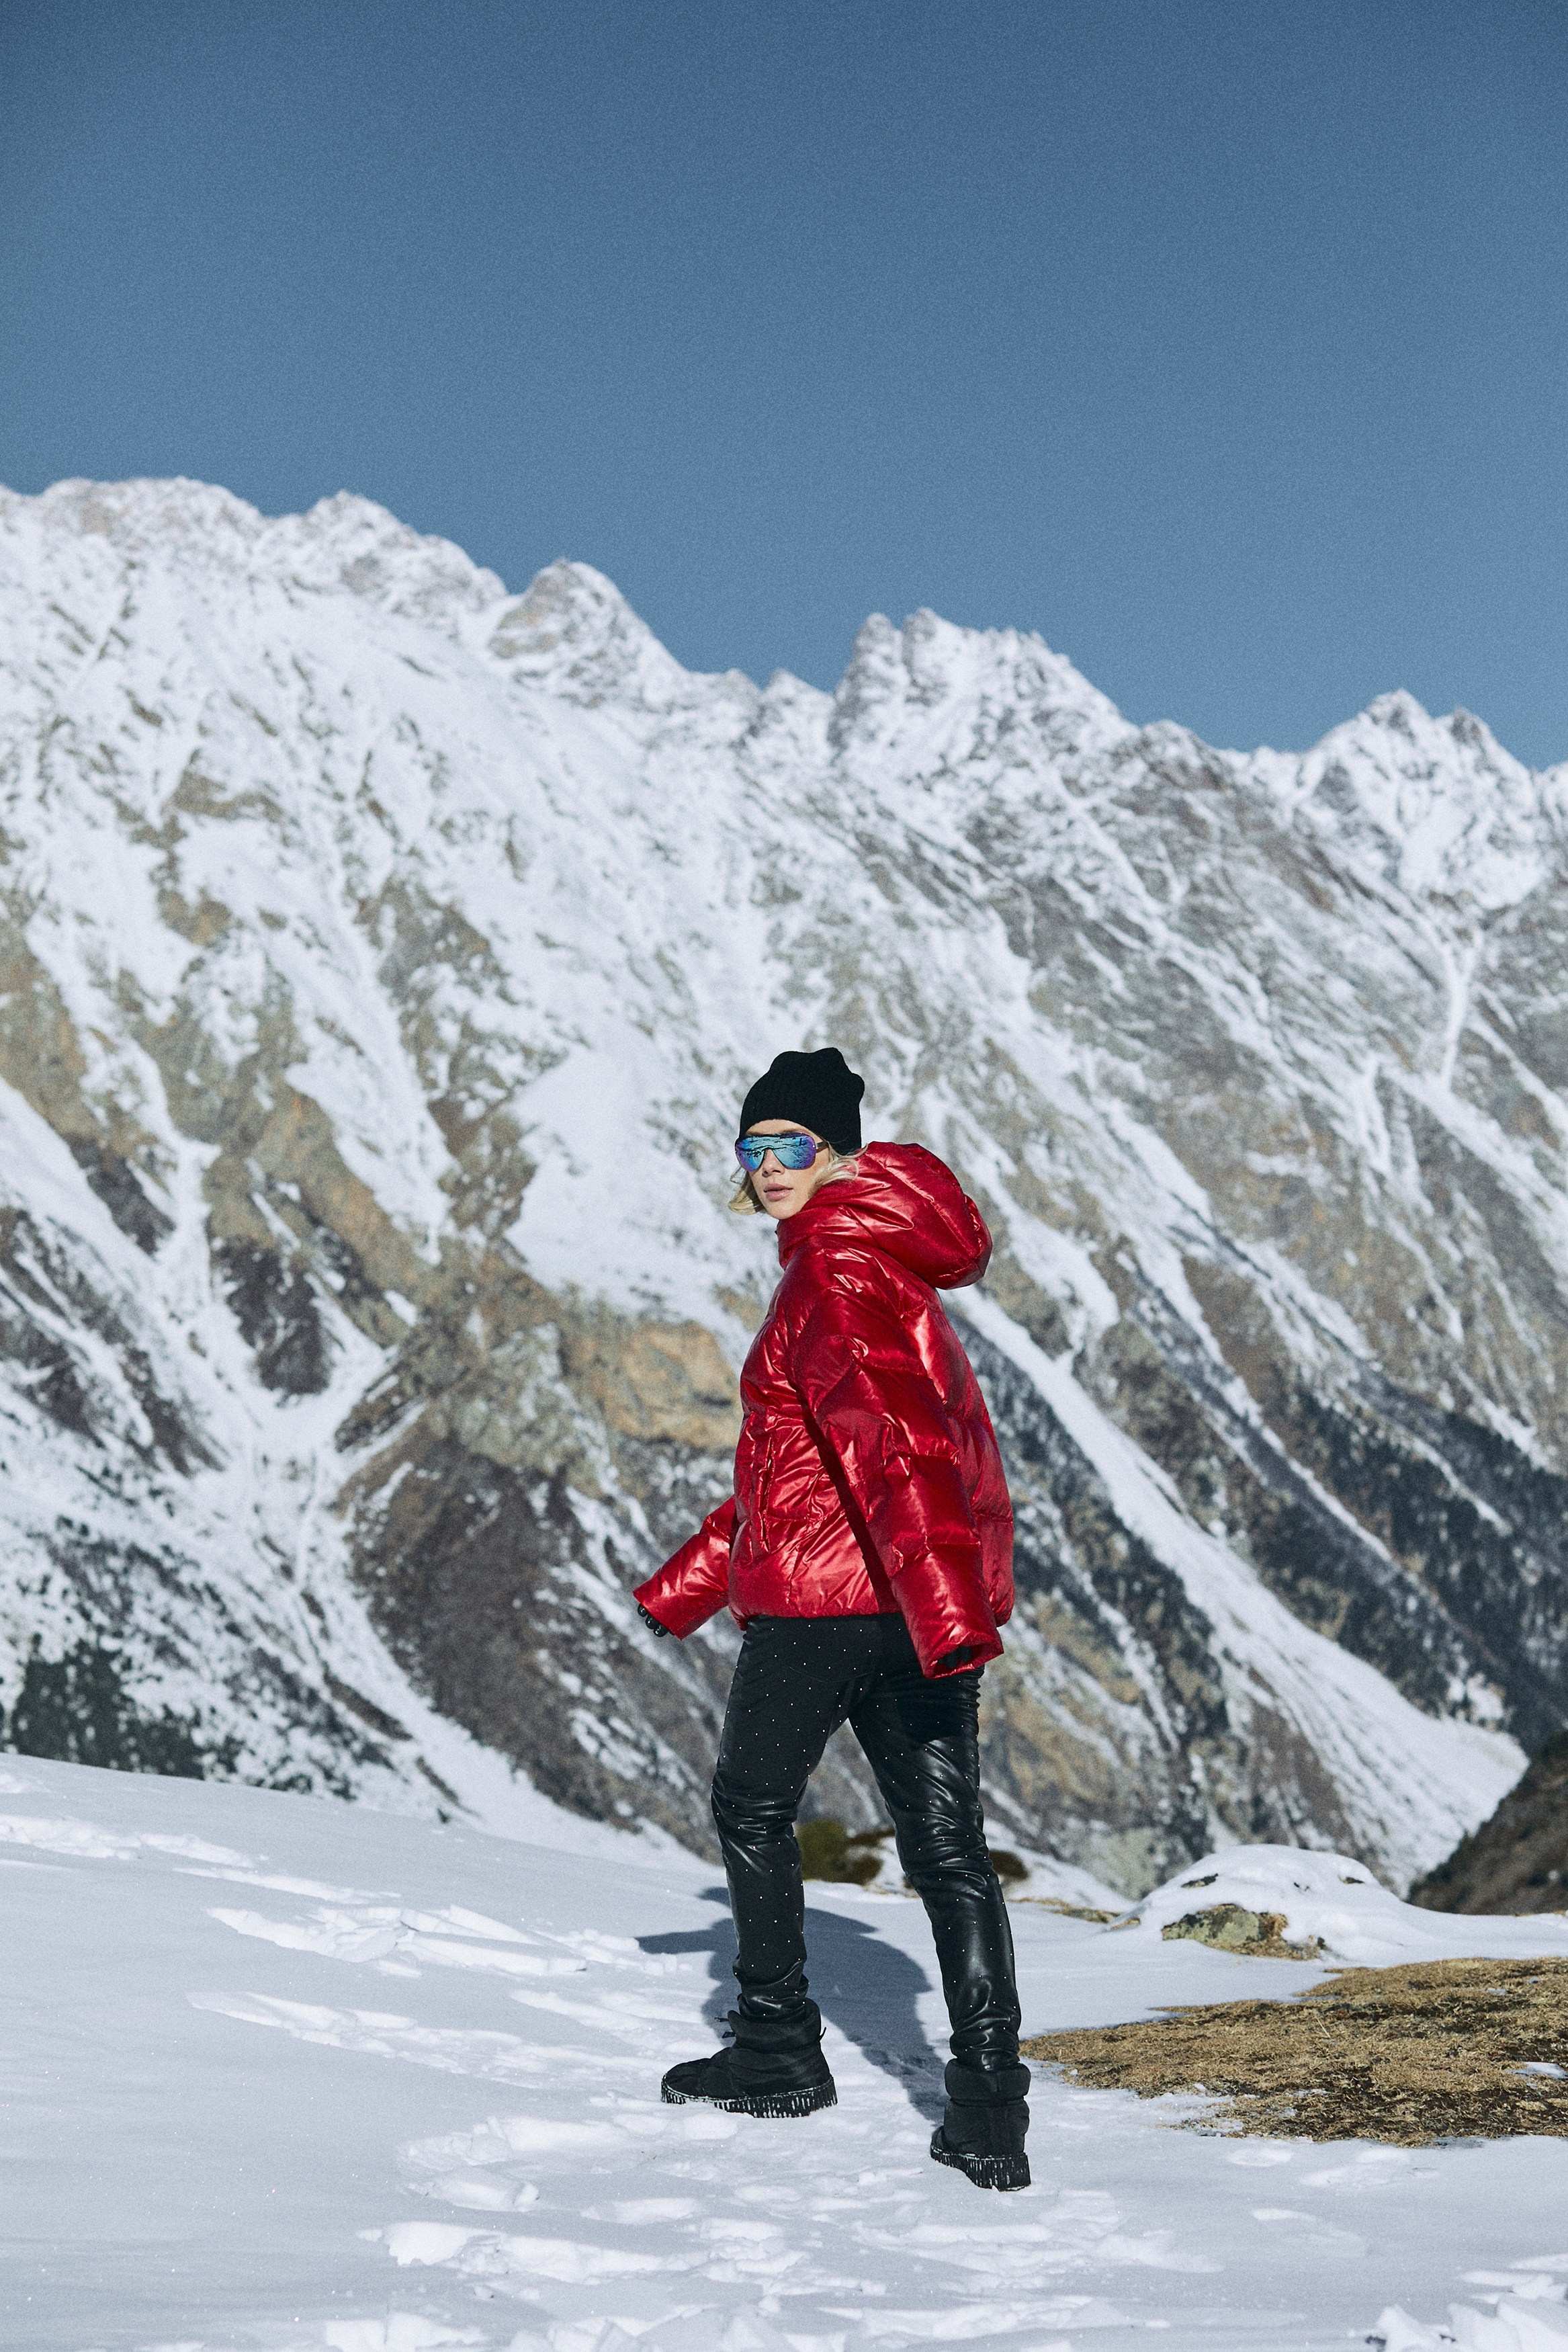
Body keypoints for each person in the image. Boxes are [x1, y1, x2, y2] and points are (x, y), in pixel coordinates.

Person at [633, 1046, 1030, 2191]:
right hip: (901, 1605)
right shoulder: (880, 1261)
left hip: (828, 1612)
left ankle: (776, 2050)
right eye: (752, 1146)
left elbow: (894, 1455)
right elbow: (802, 1470)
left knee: (750, 1806)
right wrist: (690, 1583)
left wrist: (945, 1612)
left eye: (790, 1146)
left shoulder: (830, 1276)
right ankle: (989, 2109)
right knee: (948, 1851)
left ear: (838, 1155)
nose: (767, 1166)